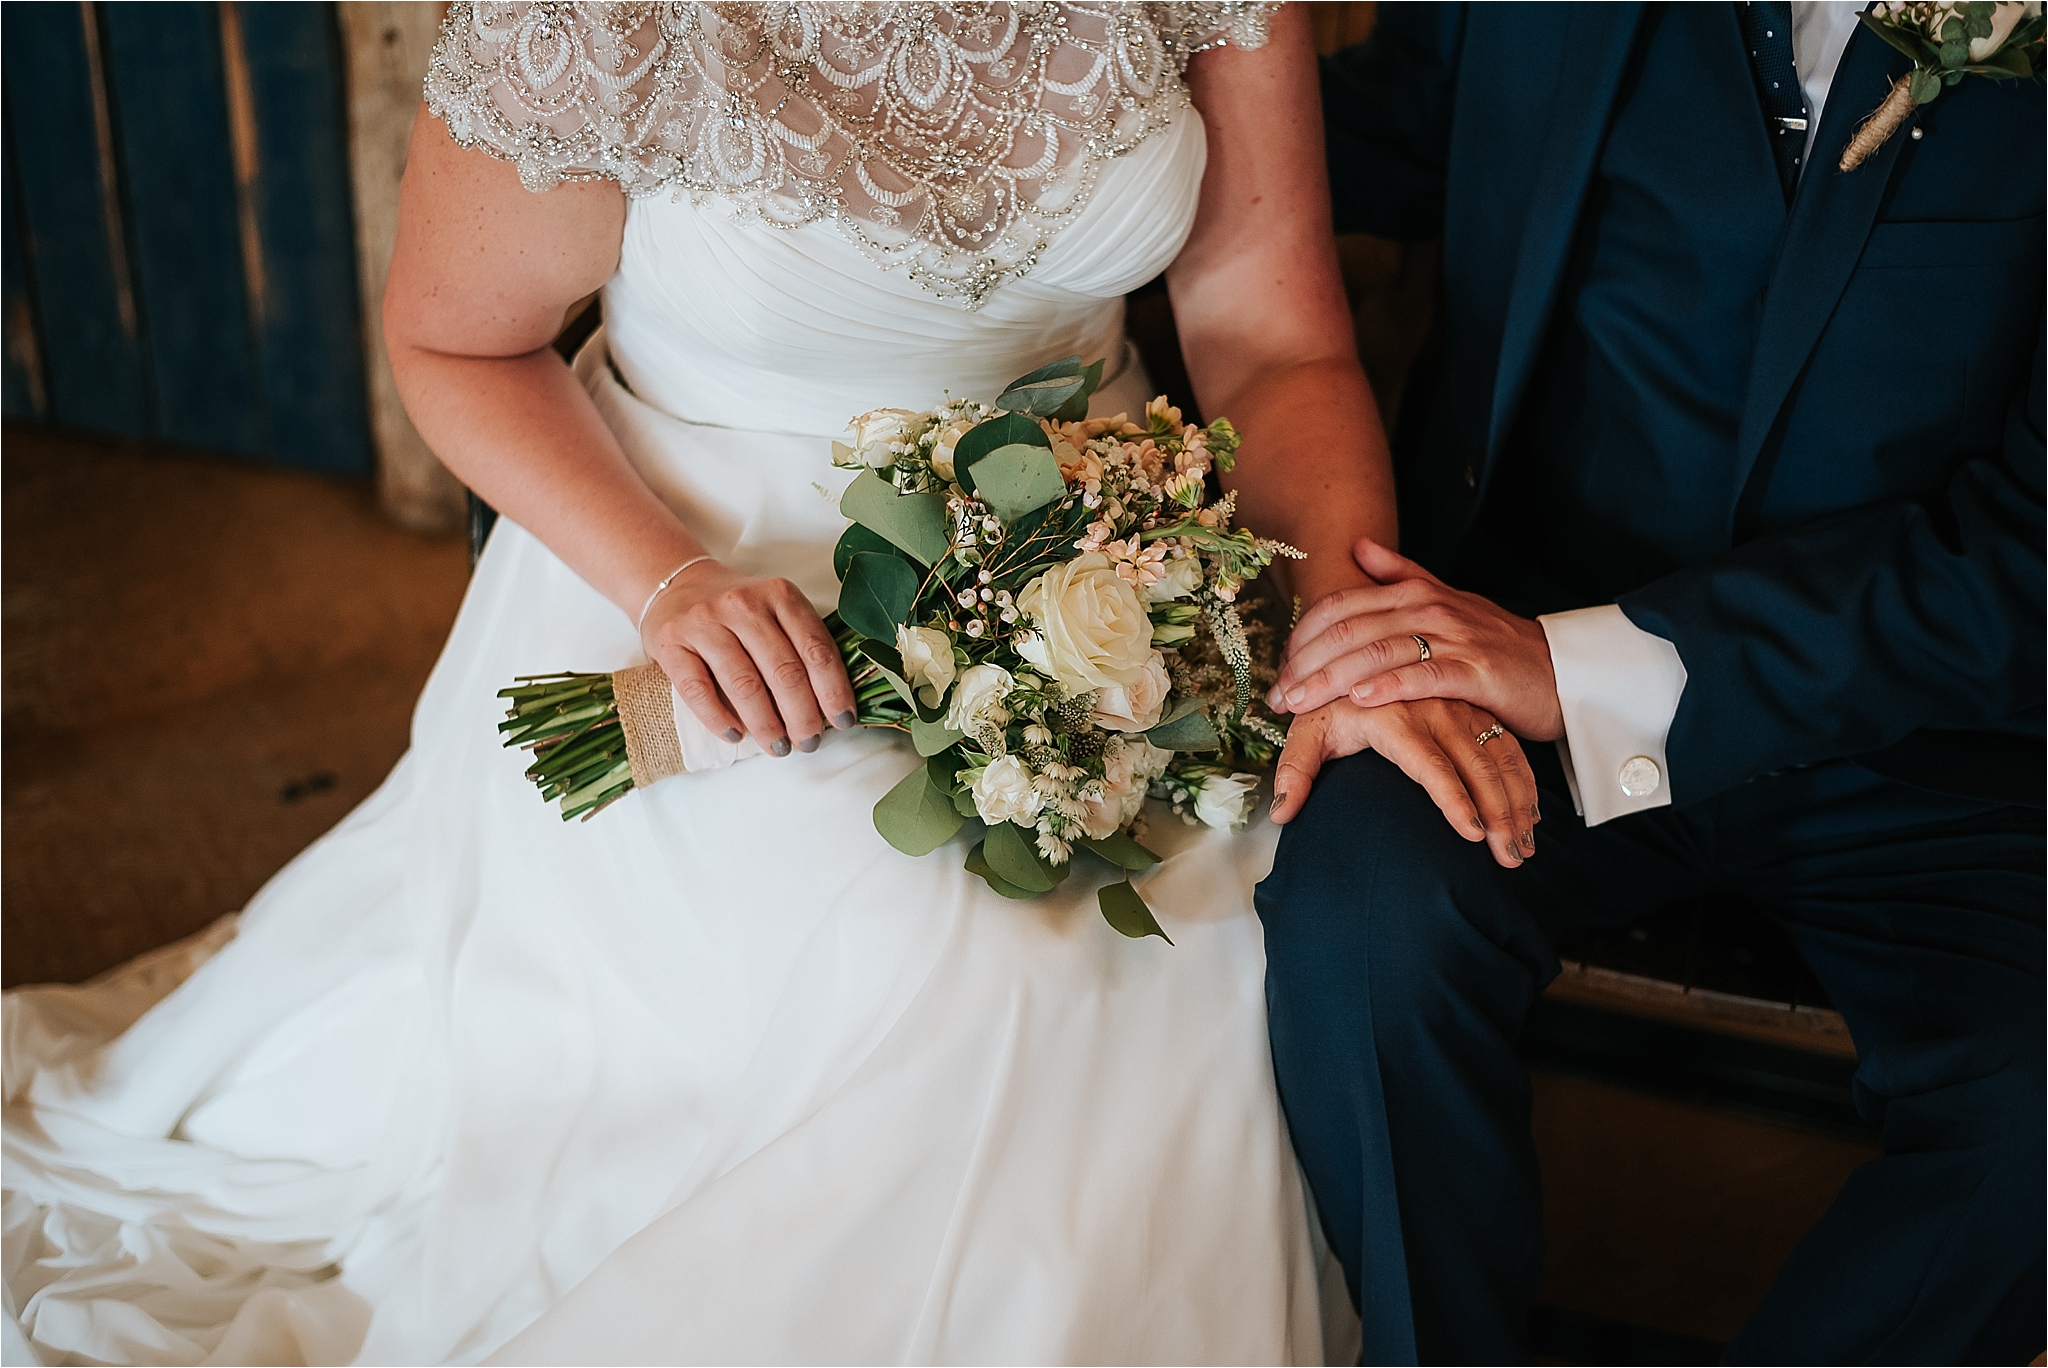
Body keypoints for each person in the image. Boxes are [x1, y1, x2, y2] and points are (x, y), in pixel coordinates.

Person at [0, 4, 1526, 1363]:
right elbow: (453, 344)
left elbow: (1270, 342)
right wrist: (673, 585)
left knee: (1249, 937)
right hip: (710, 575)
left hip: (1113, 568)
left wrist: (1345, 624)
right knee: (957, 979)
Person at [1258, 2, 2045, 1362]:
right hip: (1510, 649)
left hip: (1944, 741)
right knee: (1362, 914)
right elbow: (1341, 151)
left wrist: (1575, 663)